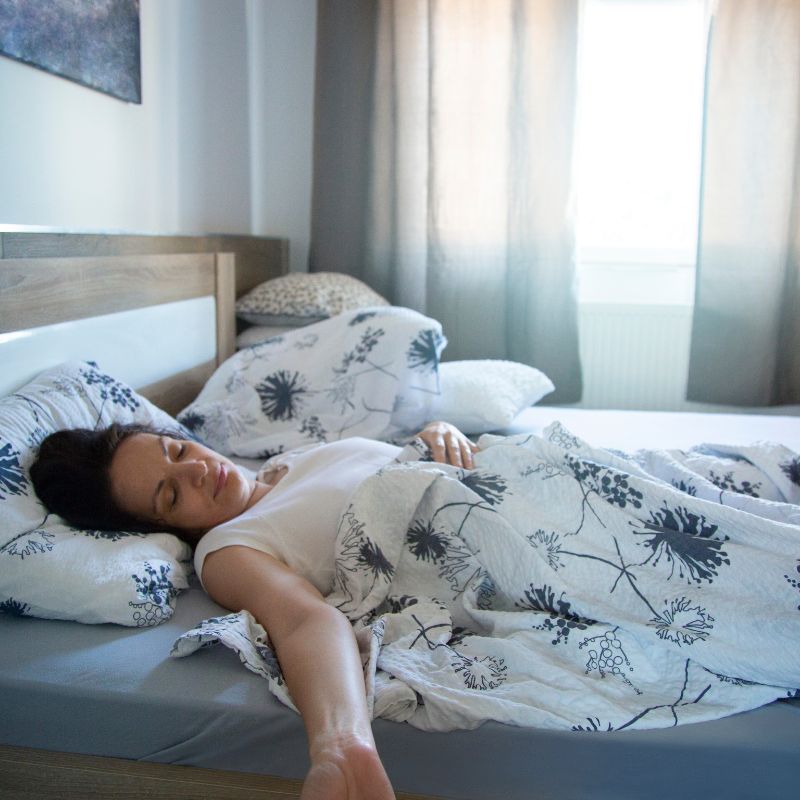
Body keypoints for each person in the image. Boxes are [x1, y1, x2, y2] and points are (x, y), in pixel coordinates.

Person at [30, 420, 478, 800]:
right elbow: (305, 620)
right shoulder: (228, 549)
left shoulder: (287, 462)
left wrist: (439, 431)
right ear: (160, 528)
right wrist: (341, 745)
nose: (198, 469)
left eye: (178, 449)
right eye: (171, 495)